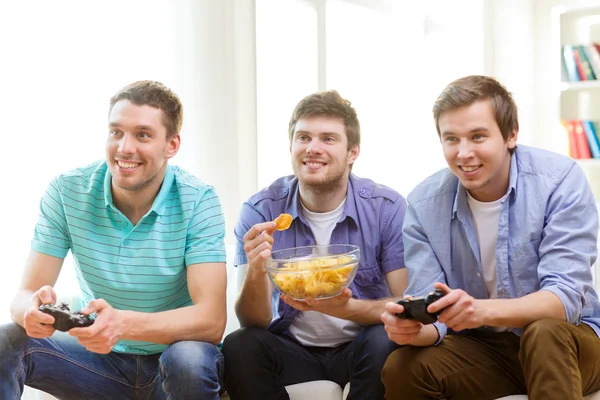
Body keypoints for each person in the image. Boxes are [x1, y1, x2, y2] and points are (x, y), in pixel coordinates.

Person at [0, 80, 227, 399]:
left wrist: (123, 325)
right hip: (96, 364)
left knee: (188, 359)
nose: (124, 148)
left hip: (172, 363)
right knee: (6, 340)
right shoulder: (68, 191)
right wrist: (29, 310)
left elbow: (212, 320)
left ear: (172, 145)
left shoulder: (198, 200)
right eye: (116, 132)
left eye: (142, 135)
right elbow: (24, 294)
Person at [380, 75, 600, 400]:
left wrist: (479, 310)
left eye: (478, 136)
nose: (463, 153)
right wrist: (412, 329)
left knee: (543, 333)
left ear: (511, 135)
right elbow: (434, 320)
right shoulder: (424, 204)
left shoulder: (558, 180)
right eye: (451, 139)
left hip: (570, 341)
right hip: (487, 349)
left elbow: (564, 299)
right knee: (402, 366)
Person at [222, 90, 407, 400]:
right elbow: (252, 321)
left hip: (360, 346)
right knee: (240, 344)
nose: (313, 148)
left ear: (353, 152)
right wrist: (257, 268)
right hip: (292, 350)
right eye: (303, 137)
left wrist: (346, 309)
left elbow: (404, 303)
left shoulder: (386, 208)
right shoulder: (260, 210)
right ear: (291, 146)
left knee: (385, 340)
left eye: (328, 139)